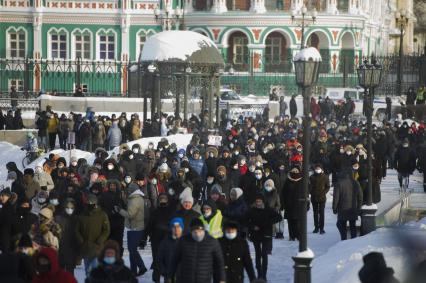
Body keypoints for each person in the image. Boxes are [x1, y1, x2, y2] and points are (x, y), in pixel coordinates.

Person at [169, 218, 226, 283]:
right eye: (195, 232)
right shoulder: (183, 241)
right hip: (185, 279)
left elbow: (219, 263)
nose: (198, 234)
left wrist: (222, 279)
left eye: (200, 231)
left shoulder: (212, 242)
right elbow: (174, 261)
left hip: (204, 280)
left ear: (203, 230)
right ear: (191, 232)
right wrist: (170, 277)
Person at [246, 194, 282, 280]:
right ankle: (259, 274)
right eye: (257, 201)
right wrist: (252, 226)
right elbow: (246, 221)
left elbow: (279, 217)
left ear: (263, 201)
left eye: (260, 201)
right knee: (258, 254)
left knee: (264, 254)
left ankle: (264, 274)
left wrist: (268, 222)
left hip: (266, 234)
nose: (258, 203)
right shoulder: (252, 210)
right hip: (255, 234)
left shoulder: (268, 209)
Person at [116, 183, 148, 276]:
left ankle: (139, 268)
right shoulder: (137, 198)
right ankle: (137, 269)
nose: (128, 191)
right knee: (132, 250)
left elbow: (130, 215)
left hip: (136, 228)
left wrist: (119, 210)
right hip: (136, 227)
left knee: (132, 250)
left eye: (129, 190)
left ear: (132, 190)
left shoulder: (135, 200)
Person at [75, 194, 110, 275]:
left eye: (92, 204)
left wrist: (100, 240)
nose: (90, 205)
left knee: (96, 269)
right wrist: (81, 240)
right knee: (88, 270)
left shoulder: (102, 215)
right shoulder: (82, 215)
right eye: (88, 204)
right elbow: (76, 230)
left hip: (97, 247)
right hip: (86, 246)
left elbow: (106, 230)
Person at [332, 170, 363, 240]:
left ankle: (343, 240)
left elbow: (336, 197)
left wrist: (334, 208)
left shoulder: (339, 183)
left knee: (341, 225)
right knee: (353, 227)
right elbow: (360, 196)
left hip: (342, 209)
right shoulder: (356, 183)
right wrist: (359, 207)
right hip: (353, 208)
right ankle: (353, 241)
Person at [55, 198, 79, 274]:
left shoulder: (76, 219)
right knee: (59, 274)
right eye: (67, 207)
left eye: (72, 208)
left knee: (70, 275)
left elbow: (79, 236)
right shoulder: (58, 218)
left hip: (72, 250)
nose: (69, 209)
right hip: (60, 249)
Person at [158, 217, 184, 283]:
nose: (176, 229)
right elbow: (160, 258)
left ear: (182, 228)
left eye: (178, 226)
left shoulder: (187, 241)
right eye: (174, 227)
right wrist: (163, 271)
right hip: (168, 276)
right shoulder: (165, 242)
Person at [309, 164, 330, 234]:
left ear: (321, 169)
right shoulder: (311, 177)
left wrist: (324, 192)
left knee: (321, 213)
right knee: (315, 213)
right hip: (314, 197)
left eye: (319, 168)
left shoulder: (325, 177)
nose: (317, 169)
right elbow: (309, 186)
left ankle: (322, 228)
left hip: (322, 197)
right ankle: (316, 227)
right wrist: (311, 192)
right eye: (316, 168)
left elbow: (328, 186)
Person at [0, 188, 16, 253]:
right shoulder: (4, 206)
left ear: (8, 196)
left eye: (3, 195)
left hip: (6, 235)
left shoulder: (10, 207)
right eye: (1, 195)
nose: (1, 197)